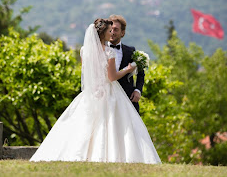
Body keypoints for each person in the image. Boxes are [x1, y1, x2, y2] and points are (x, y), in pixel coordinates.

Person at [29, 19, 161, 164]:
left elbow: (86, 73)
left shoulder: (84, 50)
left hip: (91, 92)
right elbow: (112, 77)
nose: (111, 33)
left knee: (86, 123)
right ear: (103, 33)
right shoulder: (109, 52)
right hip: (110, 92)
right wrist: (128, 69)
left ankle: (83, 154)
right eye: (109, 31)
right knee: (110, 123)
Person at [108, 14, 144, 114]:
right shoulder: (101, 50)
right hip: (106, 100)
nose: (112, 32)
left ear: (122, 33)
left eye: (116, 29)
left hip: (127, 99)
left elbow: (141, 73)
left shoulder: (131, 51)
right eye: (110, 29)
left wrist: (138, 90)